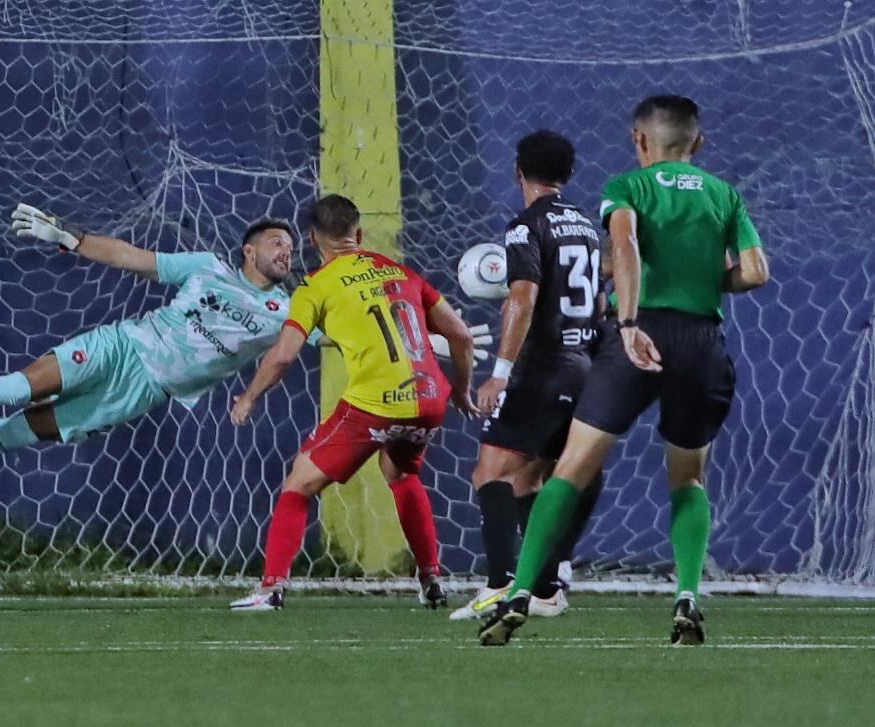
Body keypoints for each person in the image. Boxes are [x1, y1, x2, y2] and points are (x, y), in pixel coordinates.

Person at [479, 95, 770, 646]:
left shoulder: (628, 188)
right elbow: (755, 273)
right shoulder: (725, 195)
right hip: (702, 342)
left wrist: (631, 320)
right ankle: (686, 595)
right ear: (697, 144)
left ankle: (523, 590)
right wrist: (709, 282)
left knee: (570, 468)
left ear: (640, 141)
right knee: (687, 478)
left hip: (638, 336)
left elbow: (625, 243)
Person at [0, 206, 313, 495]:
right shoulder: (208, 268)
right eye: (277, 242)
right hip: (121, 346)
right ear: (248, 250)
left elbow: (326, 337)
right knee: (14, 389)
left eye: (291, 249)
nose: (286, 252)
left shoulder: (288, 312)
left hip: (142, 392)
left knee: (17, 433)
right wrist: (68, 236)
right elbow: (130, 257)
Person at [229, 194, 480, 610]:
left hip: (376, 403)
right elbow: (462, 336)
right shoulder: (401, 271)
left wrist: (249, 397)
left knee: (299, 483)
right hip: (428, 398)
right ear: (358, 234)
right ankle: (432, 577)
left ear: (313, 240)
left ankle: (271, 587)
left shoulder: (315, 286)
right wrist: (462, 390)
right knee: (399, 473)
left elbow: (285, 354)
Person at [450, 130, 604, 622]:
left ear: (518, 171)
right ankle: (545, 588)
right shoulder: (585, 226)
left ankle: (499, 587)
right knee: (529, 482)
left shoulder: (524, 227)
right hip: (583, 365)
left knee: (490, 473)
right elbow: (598, 301)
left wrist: (499, 373)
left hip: (542, 369)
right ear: (567, 174)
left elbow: (522, 297)